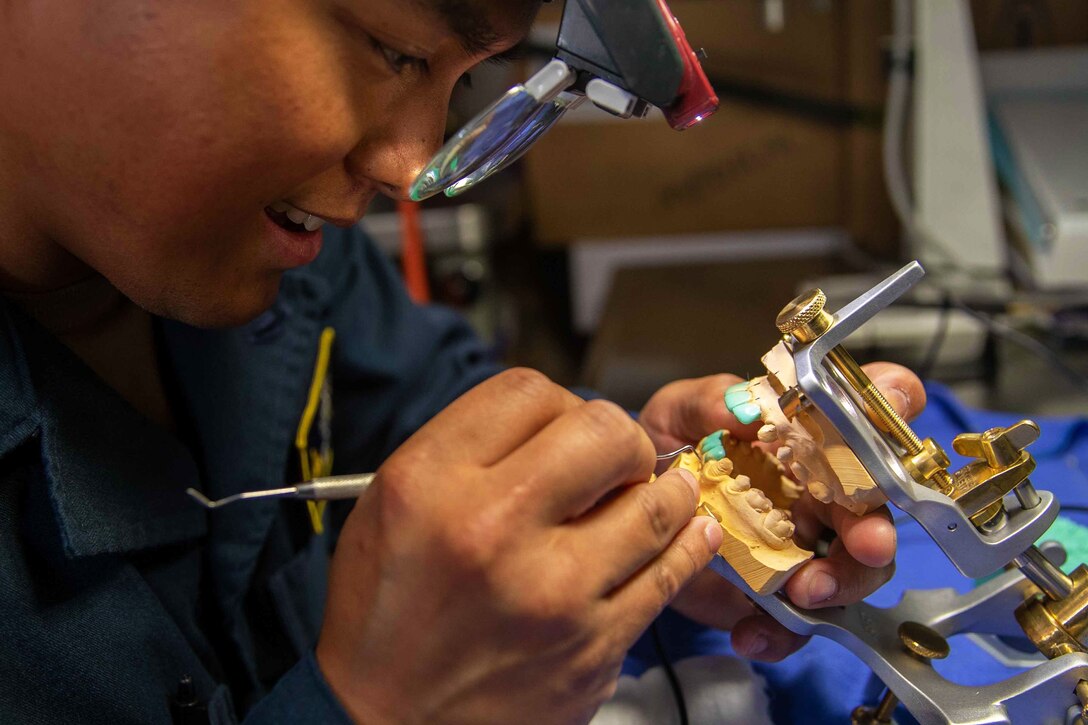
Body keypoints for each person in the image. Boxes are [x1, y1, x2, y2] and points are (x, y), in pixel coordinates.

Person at [0, 1, 924, 722]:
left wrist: (609, 508)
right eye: (395, 50)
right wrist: (370, 711)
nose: (410, 167)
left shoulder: (269, 245)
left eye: (463, 83)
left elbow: (437, 405)